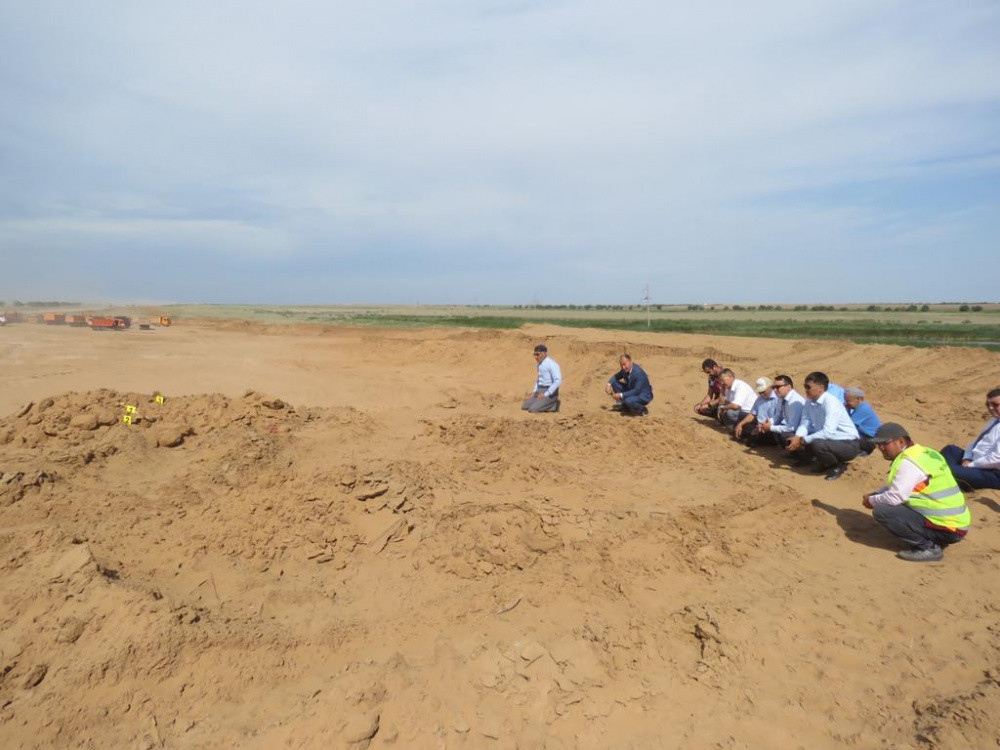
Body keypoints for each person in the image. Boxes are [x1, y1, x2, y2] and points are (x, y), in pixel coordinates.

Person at [863, 422, 970, 562]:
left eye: (884, 443)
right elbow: (900, 485)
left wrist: (871, 501)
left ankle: (928, 548)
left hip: (948, 527)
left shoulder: (908, 463)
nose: (881, 448)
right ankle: (934, 539)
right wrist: (876, 493)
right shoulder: (922, 453)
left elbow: (895, 497)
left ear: (901, 441)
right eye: (878, 445)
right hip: (956, 523)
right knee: (891, 501)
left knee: (882, 510)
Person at [786, 371, 860, 480]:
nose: (806, 390)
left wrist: (803, 440)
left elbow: (828, 432)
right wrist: (798, 437)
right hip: (830, 441)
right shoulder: (809, 402)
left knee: (816, 444)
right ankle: (820, 461)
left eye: (808, 387)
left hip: (848, 443)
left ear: (821, 387)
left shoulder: (831, 402)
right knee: (796, 437)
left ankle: (837, 465)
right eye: (805, 386)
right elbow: (805, 423)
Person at [939, 388, 1000, 490]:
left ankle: (953, 480)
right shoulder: (993, 420)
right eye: (988, 405)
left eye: (995, 404)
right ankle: (954, 479)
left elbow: (996, 459)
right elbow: (976, 442)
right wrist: (966, 458)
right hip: (975, 462)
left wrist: (970, 465)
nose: (990, 408)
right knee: (950, 450)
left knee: (947, 469)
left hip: (992, 473)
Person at [758, 375, 806, 446]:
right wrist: (767, 423)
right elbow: (777, 416)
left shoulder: (795, 402)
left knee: (784, 435)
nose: (775, 390)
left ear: (788, 387)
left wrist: (770, 427)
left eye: (778, 387)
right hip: (790, 428)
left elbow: (792, 428)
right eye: (773, 387)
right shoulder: (781, 398)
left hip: (801, 432)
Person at [734, 377, 781, 444]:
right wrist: (741, 424)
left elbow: (779, 418)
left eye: (763, 391)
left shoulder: (778, 399)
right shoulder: (759, 399)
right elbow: (752, 414)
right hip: (759, 425)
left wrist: (764, 426)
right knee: (742, 425)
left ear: (770, 387)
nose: (761, 393)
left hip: (771, 426)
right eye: (760, 392)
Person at [521, 344, 561, 413]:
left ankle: (553, 405)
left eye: (537, 354)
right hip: (540, 390)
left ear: (544, 354)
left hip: (550, 392)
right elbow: (539, 379)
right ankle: (541, 403)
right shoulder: (539, 364)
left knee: (533, 409)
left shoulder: (552, 364)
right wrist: (534, 391)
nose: (536, 357)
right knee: (524, 406)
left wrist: (546, 394)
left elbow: (558, 380)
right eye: (534, 354)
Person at [844, 387, 882, 454]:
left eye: (849, 401)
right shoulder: (859, 407)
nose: (846, 403)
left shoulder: (863, 408)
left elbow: (848, 425)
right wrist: (847, 409)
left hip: (870, 440)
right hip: (867, 438)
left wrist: (845, 410)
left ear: (858, 399)